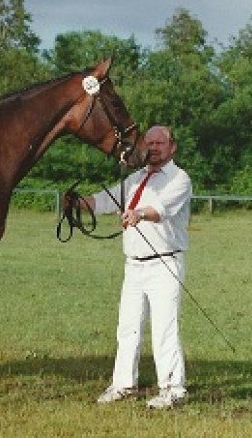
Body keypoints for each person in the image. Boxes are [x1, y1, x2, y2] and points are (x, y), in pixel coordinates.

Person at [75, 125, 192, 409]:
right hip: (134, 266)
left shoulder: (179, 179)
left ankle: (173, 388)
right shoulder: (136, 178)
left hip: (164, 263)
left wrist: (138, 213)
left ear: (171, 147)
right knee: (128, 327)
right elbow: (106, 200)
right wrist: (79, 204)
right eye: (149, 142)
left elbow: (160, 209)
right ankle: (124, 384)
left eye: (159, 143)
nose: (153, 147)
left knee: (164, 327)